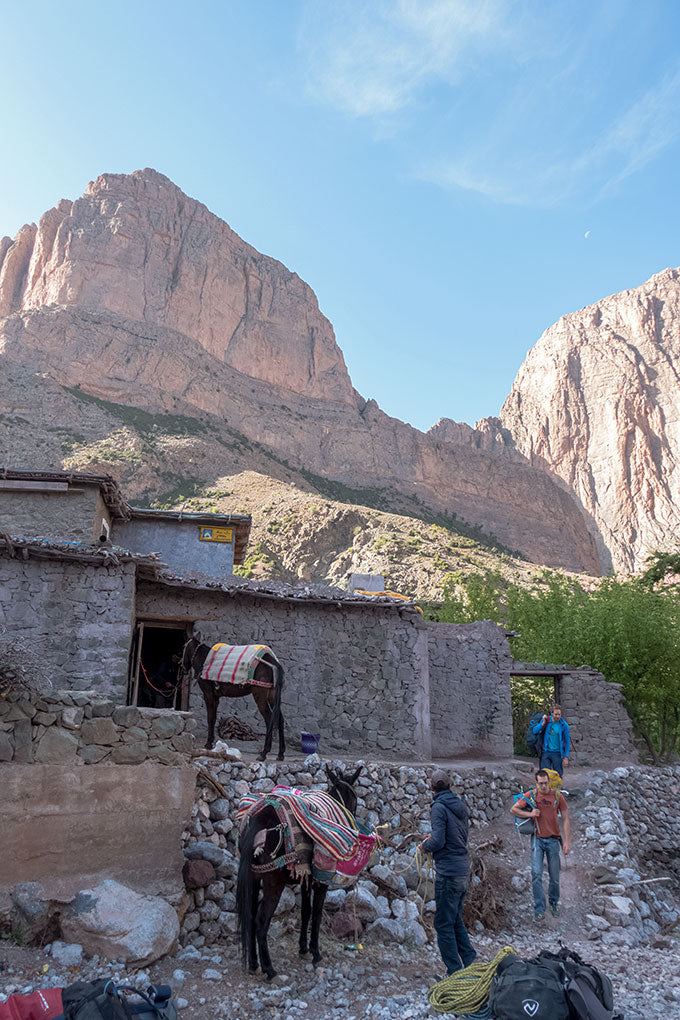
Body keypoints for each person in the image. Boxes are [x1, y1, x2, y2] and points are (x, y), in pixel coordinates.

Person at [419, 769, 476, 976]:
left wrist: (425, 845)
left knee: (442, 923)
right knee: (455, 920)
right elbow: (455, 836)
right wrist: (434, 837)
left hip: (448, 873)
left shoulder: (438, 808)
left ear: (432, 787)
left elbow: (439, 841)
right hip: (462, 870)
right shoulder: (459, 806)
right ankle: (470, 961)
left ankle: (454, 972)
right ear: (449, 786)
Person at [511, 768, 571, 921]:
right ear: (536, 783)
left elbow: (565, 818)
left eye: (545, 783)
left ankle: (554, 903)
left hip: (553, 840)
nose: (543, 786)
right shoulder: (531, 795)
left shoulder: (557, 796)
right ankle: (539, 908)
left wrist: (567, 841)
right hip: (537, 839)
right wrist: (530, 814)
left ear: (549, 782)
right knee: (536, 874)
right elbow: (514, 809)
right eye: (540, 784)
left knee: (555, 876)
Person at [534, 704, 570, 776]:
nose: (557, 716)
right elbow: (535, 731)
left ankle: (558, 787)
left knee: (558, 775)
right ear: (552, 713)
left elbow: (567, 741)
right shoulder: (546, 720)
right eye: (556, 714)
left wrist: (566, 757)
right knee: (544, 775)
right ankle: (545, 787)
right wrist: (543, 723)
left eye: (559, 714)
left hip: (557, 753)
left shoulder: (564, 725)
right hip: (546, 752)